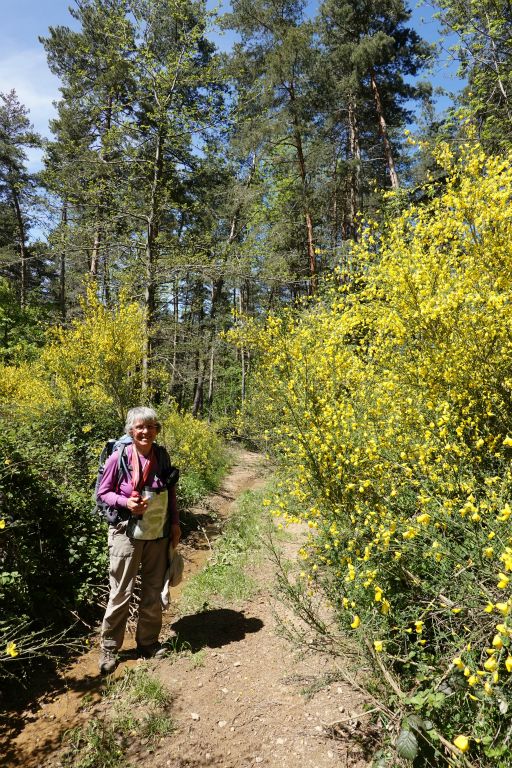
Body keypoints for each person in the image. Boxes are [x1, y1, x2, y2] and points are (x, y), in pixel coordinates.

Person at [97, 406, 180, 675]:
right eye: (139, 427)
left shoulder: (162, 456)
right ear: (131, 431)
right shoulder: (118, 457)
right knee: (121, 592)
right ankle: (110, 648)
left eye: (150, 426)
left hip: (158, 532)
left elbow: (171, 493)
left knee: (153, 592)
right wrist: (125, 502)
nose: (145, 431)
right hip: (126, 533)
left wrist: (176, 524)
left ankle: (148, 644)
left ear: (157, 430)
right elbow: (103, 493)